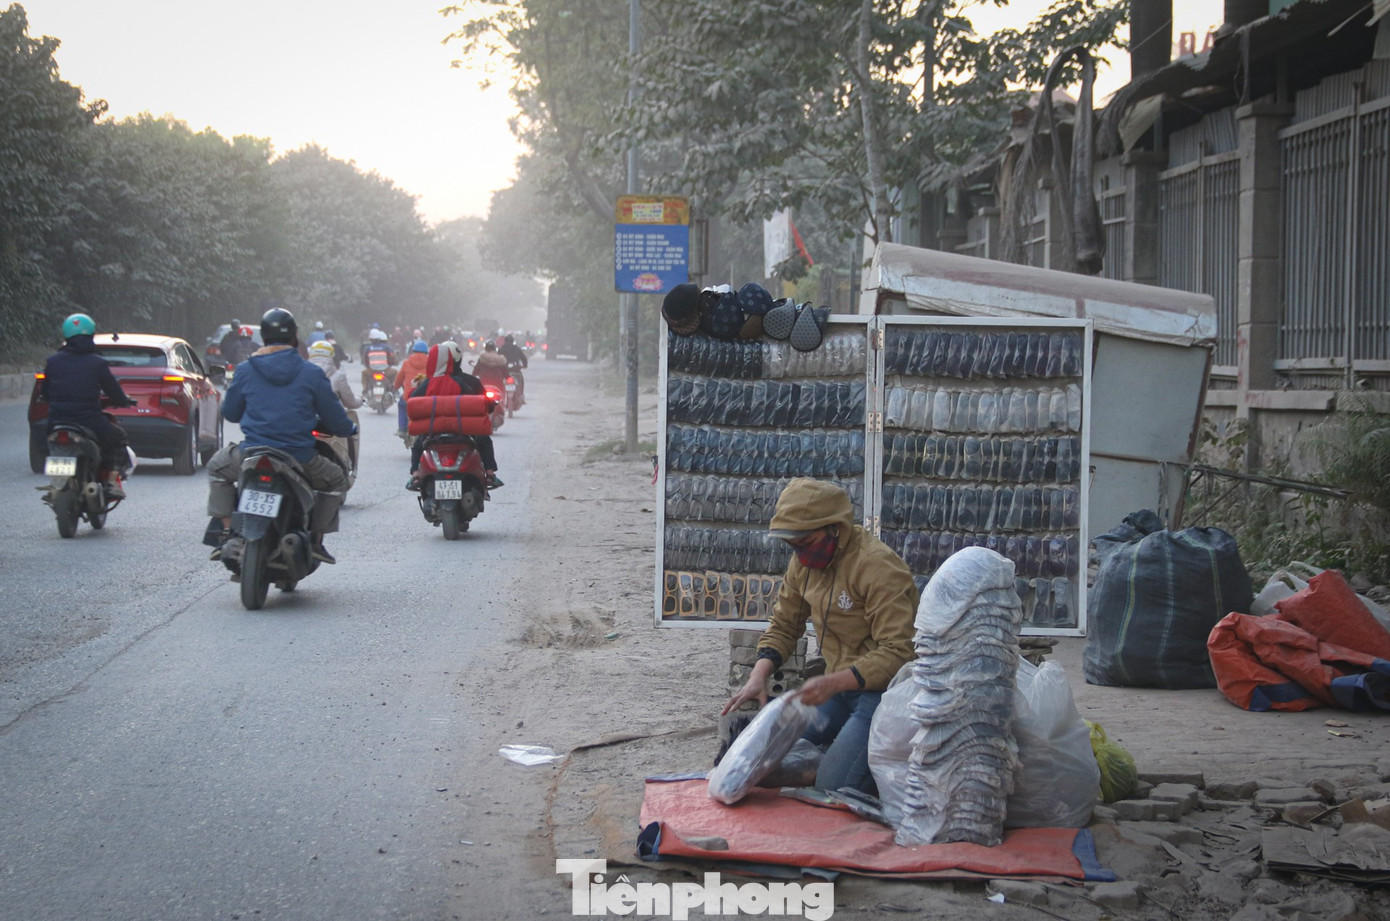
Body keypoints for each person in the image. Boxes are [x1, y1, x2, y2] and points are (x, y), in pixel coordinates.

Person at [722, 478, 917, 796]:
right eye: (792, 546)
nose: (799, 554)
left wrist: (833, 682)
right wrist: (759, 675)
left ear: (835, 529)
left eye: (805, 543)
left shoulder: (877, 567)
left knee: (833, 785)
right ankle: (838, 752)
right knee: (763, 756)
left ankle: (856, 763)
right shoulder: (804, 564)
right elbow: (785, 623)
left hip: (881, 694)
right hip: (837, 689)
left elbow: (900, 651)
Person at [206, 307, 357, 564]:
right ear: (295, 337)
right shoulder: (311, 373)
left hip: (251, 453)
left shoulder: (245, 370)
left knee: (216, 469)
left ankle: (227, 532)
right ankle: (316, 540)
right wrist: (347, 428)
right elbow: (335, 419)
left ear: (263, 337)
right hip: (299, 457)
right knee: (337, 480)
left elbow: (230, 412)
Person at [41, 313, 136, 498]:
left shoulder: (52, 362)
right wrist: (123, 401)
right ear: (91, 336)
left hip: (57, 421)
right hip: (88, 421)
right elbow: (114, 391)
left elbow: (45, 392)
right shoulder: (97, 363)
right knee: (118, 437)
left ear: (66, 337)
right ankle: (111, 483)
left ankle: (56, 484)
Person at [405, 341, 502, 489]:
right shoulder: (462, 383)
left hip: (433, 432)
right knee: (484, 440)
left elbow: (412, 403)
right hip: (462, 431)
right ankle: (490, 474)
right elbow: (476, 405)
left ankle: (415, 475)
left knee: (418, 445)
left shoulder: (427, 383)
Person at [393, 339, 431, 438]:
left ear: (413, 351)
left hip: (409, 397)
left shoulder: (407, 363)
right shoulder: (431, 363)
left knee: (402, 405)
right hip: (425, 397)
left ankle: (402, 429)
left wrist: (395, 387)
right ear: (426, 352)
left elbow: (399, 379)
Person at [499, 333, 529, 404]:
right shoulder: (517, 349)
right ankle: (521, 395)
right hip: (515, 370)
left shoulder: (501, 349)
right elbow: (524, 358)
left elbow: (497, 358)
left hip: (504, 370)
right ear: (513, 341)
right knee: (521, 380)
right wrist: (524, 365)